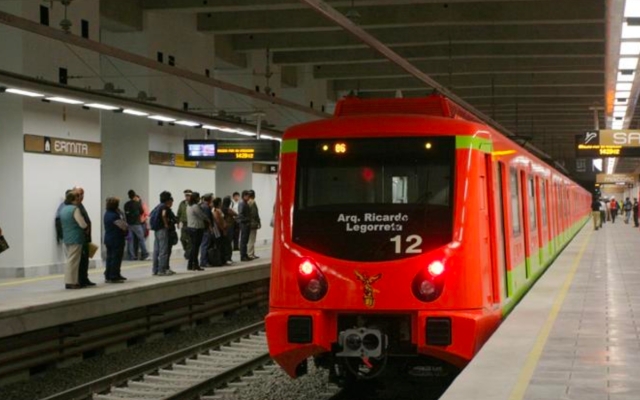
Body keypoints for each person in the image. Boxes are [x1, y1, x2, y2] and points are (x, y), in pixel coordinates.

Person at [60, 191, 87, 289]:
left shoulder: (63, 209)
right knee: (74, 261)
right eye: (78, 197)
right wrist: (85, 226)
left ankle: (70, 281)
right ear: (74, 199)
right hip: (76, 237)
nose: (79, 199)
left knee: (69, 260)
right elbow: (82, 224)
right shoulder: (75, 209)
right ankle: (72, 282)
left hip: (66, 237)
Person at [74, 187, 96, 287]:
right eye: (79, 194)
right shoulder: (75, 207)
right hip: (81, 237)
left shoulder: (80, 205)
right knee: (81, 260)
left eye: (82, 194)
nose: (81, 196)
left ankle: (85, 278)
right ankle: (81, 279)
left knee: (85, 260)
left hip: (86, 237)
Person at [152, 191, 177, 276]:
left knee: (156, 250)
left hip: (156, 230)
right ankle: (161, 270)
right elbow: (163, 215)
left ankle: (155, 270)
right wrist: (166, 224)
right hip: (162, 230)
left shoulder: (158, 206)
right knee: (163, 250)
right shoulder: (164, 207)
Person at [104, 197, 128, 283]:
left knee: (110, 257)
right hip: (116, 239)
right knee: (116, 258)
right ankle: (114, 275)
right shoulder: (114, 215)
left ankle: (108, 275)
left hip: (108, 238)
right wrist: (122, 215)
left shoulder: (107, 213)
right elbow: (124, 226)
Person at [124, 190, 150, 261]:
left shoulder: (126, 204)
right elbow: (141, 212)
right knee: (141, 239)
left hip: (129, 225)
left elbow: (126, 213)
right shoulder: (137, 204)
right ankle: (145, 255)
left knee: (130, 241)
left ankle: (131, 256)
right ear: (134, 196)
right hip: (137, 224)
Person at [186, 192, 207, 271]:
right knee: (196, 248)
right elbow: (202, 215)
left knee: (193, 247)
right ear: (196, 198)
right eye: (198, 197)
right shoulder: (195, 206)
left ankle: (190, 264)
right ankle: (195, 265)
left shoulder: (188, 206)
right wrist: (208, 219)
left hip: (191, 228)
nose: (199, 199)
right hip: (197, 228)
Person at [199, 193, 214, 268]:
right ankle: (204, 261)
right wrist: (210, 228)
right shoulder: (206, 207)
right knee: (205, 245)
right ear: (210, 199)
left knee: (204, 244)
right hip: (206, 228)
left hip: (203, 228)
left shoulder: (202, 206)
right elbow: (208, 219)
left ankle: (203, 260)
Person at [176, 190, 192, 260]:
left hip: (191, 224)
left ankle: (188, 254)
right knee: (182, 239)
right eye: (186, 195)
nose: (187, 197)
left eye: (188, 195)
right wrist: (177, 222)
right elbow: (178, 213)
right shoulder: (182, 203)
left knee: (190, 239)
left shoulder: (193, 204)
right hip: (184, 223)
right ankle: (187, 251)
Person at [247, 190, 261, 260]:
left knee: (250, 238)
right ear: (253, 195)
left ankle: (251, 253)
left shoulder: (247, 202)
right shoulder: (252, 202)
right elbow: (255, 214)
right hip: (253, 223)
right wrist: (258, 222)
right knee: (252, 239)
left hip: (249, 223)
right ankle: (250, 254)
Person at [238, 190, 251, 261]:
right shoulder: (242, 204)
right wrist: (247, 219)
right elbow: (240, 215)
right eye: (248, 196)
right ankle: (242, 256)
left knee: (246, 240)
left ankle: (245, 254)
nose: (249, 197)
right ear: (244, 196)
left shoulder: (246, 203)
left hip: (246, 224)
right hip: (244, 224)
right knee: (243, 240)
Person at [222, 196, 236, 263]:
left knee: (225, 243)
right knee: (229, 243)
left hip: (224, 227)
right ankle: (228, 257)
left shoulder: (221, 208)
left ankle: (226, 257)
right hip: (229, 227)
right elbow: (235, 213)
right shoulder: (227, 209)